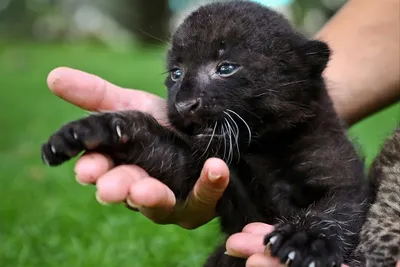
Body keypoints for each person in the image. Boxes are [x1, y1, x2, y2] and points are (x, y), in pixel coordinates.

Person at [45, 0, 399, 266]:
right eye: (176, 75)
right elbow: (184, 169)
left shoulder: (318, 148)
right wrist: (121, 131)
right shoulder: (222, 136)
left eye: (225, 68)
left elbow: (344, 198)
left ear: (301, 70)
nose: (184, 102)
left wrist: (316, 233)